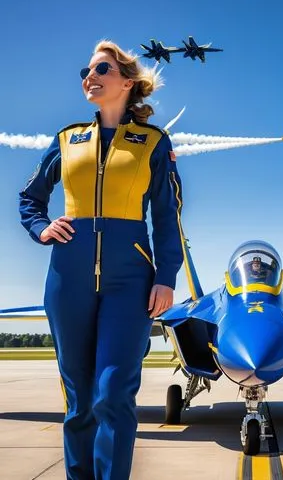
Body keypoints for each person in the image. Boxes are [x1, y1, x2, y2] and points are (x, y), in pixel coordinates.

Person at [19, 40, 184, 479]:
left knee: (112, 393)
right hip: (67, 279)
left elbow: (168, 219)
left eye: (101, 69)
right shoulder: (67, 139)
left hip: (130, 282)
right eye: (86, 71)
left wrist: (166, 277)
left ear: (127, 82)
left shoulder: (152, 142)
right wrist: (42, 228)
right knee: (79, 400)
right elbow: (30, 199)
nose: (89, 77)